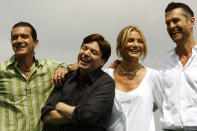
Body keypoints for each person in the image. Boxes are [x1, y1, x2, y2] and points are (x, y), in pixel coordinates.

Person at [0, 22, 69, 131]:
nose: (18, 41)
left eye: (24, 36)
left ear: (35, 42)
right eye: (14, 38)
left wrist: (65, 69)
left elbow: (80, 66)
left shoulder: (50, 67)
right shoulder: (2, 70)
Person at [41, 34, 115, 131]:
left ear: (102, 62)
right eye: (84, 48)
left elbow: (86, 117)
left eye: (93, 52)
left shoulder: (106, 83)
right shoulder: (65, 77)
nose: (86, 53)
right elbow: (47, 116)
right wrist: (78, 115)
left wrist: (60, 106)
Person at [103, 26, 164, 131]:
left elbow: (169, 111)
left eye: (140, 41)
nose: (136, 45)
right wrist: (66, 67)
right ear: (120, 45)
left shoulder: (153, 76)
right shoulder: (106, 76)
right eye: (130, 41)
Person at [159, 2, 197, 131]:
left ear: (191, 22)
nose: (171, 26)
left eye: (175, 21)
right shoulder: (164, 65)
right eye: (167, 23)